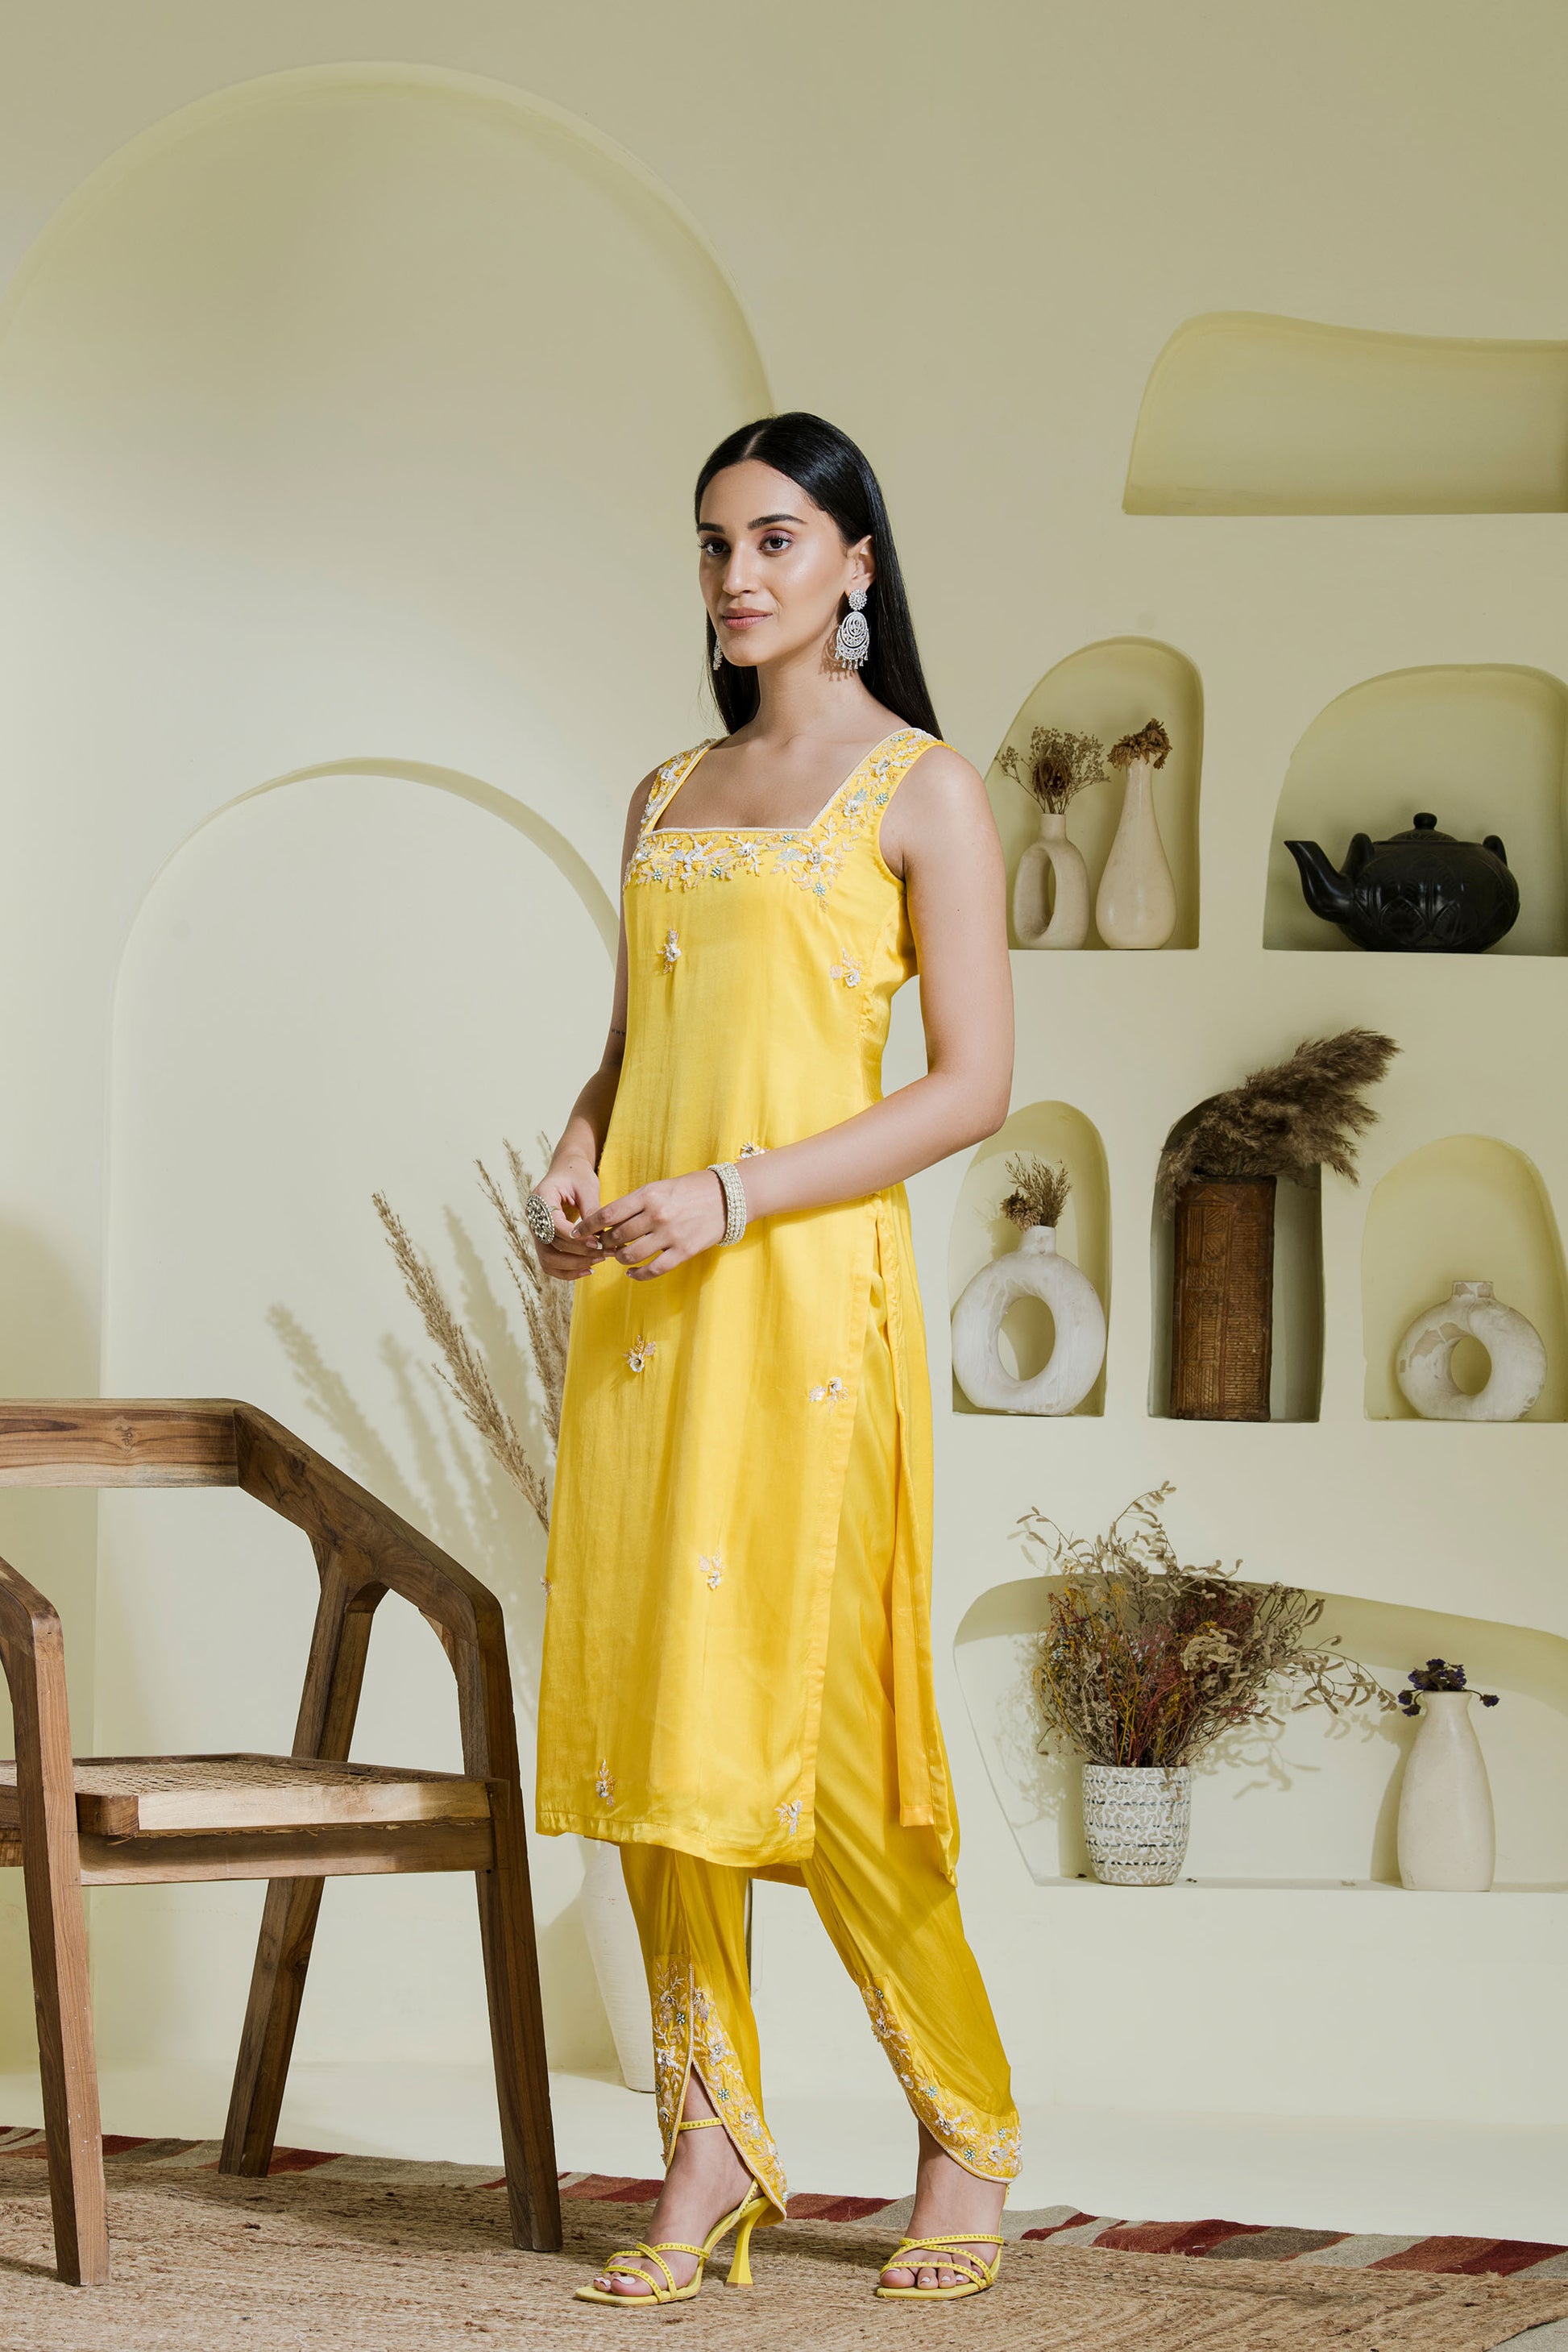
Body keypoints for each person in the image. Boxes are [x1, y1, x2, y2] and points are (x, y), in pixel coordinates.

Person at [530, 411, 1018, 2308]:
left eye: (777, 539)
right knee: (666, 1725)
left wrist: (733, 1189)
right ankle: (710, 2143)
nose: (737, 576)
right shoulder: (666, 788)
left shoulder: (921, 790)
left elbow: (970, 1087)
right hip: (649, 1313)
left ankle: (962, 2137)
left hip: (807, 1308)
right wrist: (582, 1149)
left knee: (831, 1738)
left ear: (856, 564)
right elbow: (634, 1041)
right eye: (715, 543)